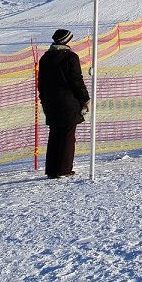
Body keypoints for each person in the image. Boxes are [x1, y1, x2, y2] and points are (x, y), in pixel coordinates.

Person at [38, 28, 90, 179]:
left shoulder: (45, 58)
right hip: (69, 103)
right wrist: (85, 99)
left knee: (54, 136)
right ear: (67, 41)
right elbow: (76, 81)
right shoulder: (71, 57)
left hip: (51, 104)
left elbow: (41, 84)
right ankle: (64, 169)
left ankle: (52, 170)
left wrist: (44, 101)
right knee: (67, 136)